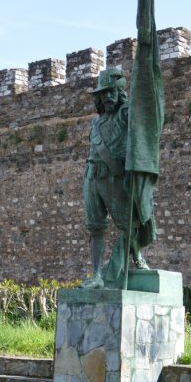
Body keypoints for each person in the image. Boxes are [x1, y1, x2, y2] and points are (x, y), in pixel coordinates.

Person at [81, 68, 150, 289]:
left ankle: (138, 257)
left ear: (120, 92)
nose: (107, 97)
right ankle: (97, 276)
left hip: (113, 176)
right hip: (92, 176)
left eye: (112, 92)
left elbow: (142, 122)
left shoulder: (125, 113)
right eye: (103, 93)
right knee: (95, 227)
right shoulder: (96, 123)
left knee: (126, 224)